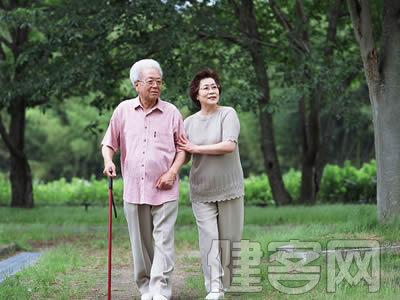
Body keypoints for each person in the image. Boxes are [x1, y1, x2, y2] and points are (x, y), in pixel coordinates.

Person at [101, 59, 186, 300]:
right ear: (136, 84)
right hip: (134, 189)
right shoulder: (123, 111)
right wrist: (108, 161)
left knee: (163, 240)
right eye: (150, 81)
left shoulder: (171, 112)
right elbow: (109, 143)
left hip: (165, 189)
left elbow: (183, 148)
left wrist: (172, 172)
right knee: (140, 244)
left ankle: (160, 289)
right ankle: (145, 286)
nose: (156, 86)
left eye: (159, 82)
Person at [178, 69, 244, 300]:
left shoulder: (228, 114)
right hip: (201, 189)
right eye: (206, 87)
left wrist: (196, 149)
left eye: (215, 86)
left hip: (229, 189)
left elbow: (228, 145)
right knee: (209, 240)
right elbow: (183, 156)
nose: (212, 90)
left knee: (229, 241)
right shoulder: (187, 123)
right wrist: (168, 168)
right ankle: (214, 288)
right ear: (196, 94)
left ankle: (224, 284)